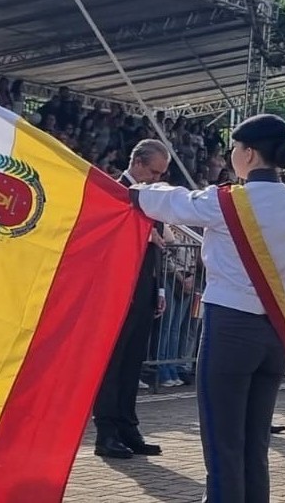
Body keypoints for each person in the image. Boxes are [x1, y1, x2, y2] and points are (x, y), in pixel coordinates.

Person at [129, 114, 285, 503]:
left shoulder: (225, 201)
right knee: (254, 446)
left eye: (236, 148)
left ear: (250, 154)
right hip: (275, 333)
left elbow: (168, 201)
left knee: (223, 444)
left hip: (229, 329)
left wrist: (131, 191)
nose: (232, 155)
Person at [93, 139, 170, 459]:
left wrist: (159, 290)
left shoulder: (153, 198)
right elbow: (104, 239)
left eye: (161, 173)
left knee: (132, 362)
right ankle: (106, 432)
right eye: (153, 171)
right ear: (137, 163)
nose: (156, 178)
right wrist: (138, 231)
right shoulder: (113, 192)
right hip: (115, 292)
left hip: (143, 288)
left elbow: (160, 245)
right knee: (113, 363)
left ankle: (128, 426)